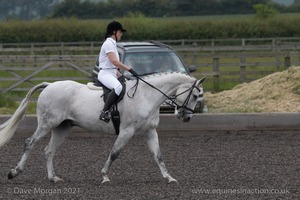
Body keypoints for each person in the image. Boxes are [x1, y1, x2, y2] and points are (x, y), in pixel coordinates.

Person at [98, 21, 138, 123]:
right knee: (118, 87)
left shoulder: (113, 44)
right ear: (114, 32)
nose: (122, 34)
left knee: (124, 84)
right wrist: (129, 69)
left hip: (111, 73)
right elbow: (114, 62)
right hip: (105, 74)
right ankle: (104, 112)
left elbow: (113, 67)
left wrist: (122, 76)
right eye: (120, 32)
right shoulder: (108, 43)